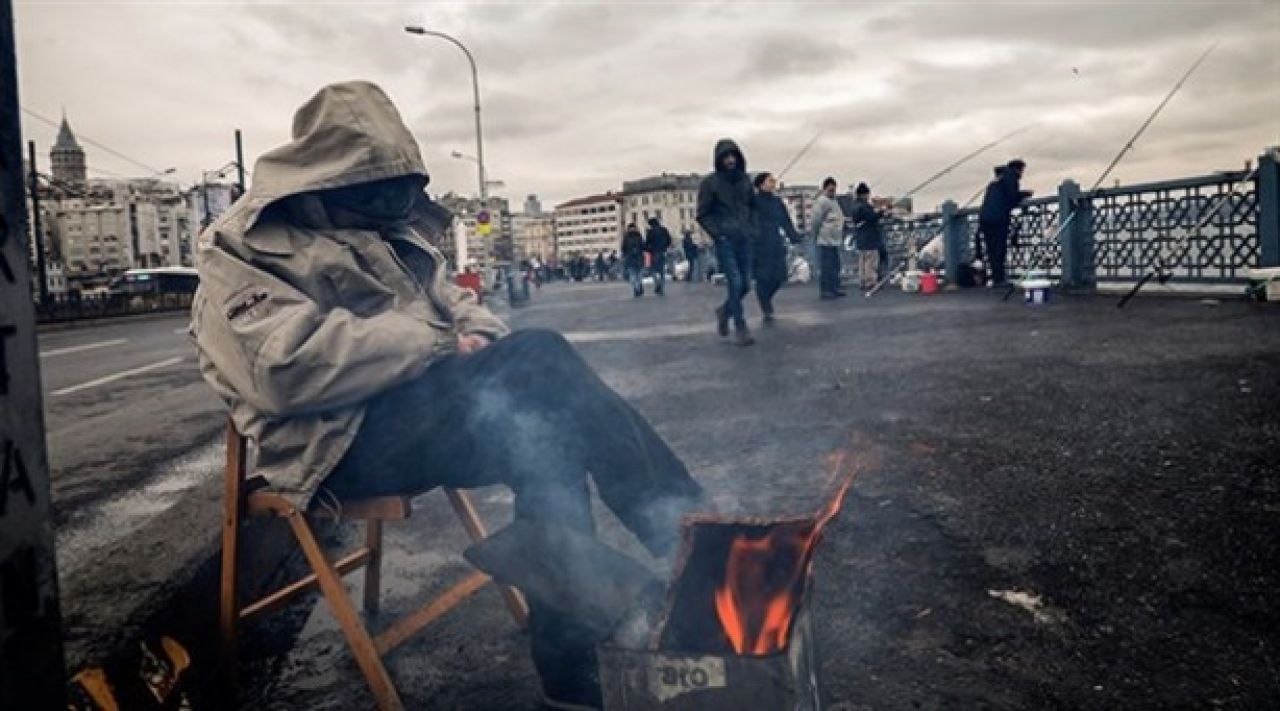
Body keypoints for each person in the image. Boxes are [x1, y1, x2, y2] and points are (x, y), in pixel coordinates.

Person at [190, 81, 705, 710]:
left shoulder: (392, 236)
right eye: (373, 190)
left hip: (422, 418)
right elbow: (283, 365)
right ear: (326, 178)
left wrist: (464, 338)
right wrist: (435, 344)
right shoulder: (243, 246)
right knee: (540, 358)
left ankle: (569, 664)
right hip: (337, 442)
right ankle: (690, 540)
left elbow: (470, 313)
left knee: (546, 436)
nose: (387, 205)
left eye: (394, 190)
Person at [697, 139, 756, 346]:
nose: (730, 160)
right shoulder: (710, 183)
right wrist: (718, 234)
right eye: (726, 157)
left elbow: (753, 207)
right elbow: (702, 215)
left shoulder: (745, 181)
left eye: (733, 156)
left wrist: (752, 229)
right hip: (726, 241)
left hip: (745, 239)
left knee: (746, 285)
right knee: (735, 282)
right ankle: (740, 326)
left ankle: (724, 311)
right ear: (719, 160)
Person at [751, 171, 801, 323]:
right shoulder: (753, 201)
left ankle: (766, 298)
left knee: (779, 277)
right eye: (770, 181)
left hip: (775, 241)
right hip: (758, 244)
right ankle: (766, 306)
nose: (774, 183)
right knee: (763, 277)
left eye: (774, 181)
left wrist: (794, 237)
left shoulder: (777, 202)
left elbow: (785, 221)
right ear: (761, 184)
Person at [978, 159, 1033, 287]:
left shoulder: (995, 181)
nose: (1022, 174)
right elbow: (1012, 198)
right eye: (1022, 171)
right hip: (998, 218)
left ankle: (996, 278)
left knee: (991, 249)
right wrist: (1024, 194)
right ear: (1018, 169)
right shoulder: (1011, 178)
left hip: (985, 218)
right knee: (999, 249)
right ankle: (999, 280)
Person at [810, 177, 846, 299]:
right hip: (825, 239)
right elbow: (816, 220)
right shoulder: (821, 201)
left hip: (835, 239)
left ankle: (834, 287)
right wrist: (815, 235)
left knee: (835, 265)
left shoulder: (834, 201)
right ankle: (826, 290)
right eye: (830, 190)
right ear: (824, 188)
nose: (832, 192)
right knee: (827, 266)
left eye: (834, 190)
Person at [848, 182, 885, 291]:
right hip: (870, 237)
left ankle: (862, 281)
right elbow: (872, 217)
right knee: (871, 260)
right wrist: (882, 212)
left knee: (862, 261)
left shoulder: (854, 206)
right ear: (865, 194)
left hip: (860, 237)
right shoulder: (864, 206)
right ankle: (870, 281)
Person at [644, 217, 672, 296]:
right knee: (662, 271)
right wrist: (665, 247)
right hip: (662, 252)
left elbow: (647, 243)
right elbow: (669, 240)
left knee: (653, 270)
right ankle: (661, 286)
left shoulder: (650, 232)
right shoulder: (664, 230)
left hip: (653, 253)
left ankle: (657, 283)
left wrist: (647, 250)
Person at [621, 222, 646, 297]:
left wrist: (626, 255)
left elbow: (623, 248)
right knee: (638, 275)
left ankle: (636, 288)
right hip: (639, 258)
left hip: (630, 259)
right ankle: (638, 287)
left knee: (633, 275)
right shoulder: (639, 236)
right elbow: (643, 246)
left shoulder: (626, 237)